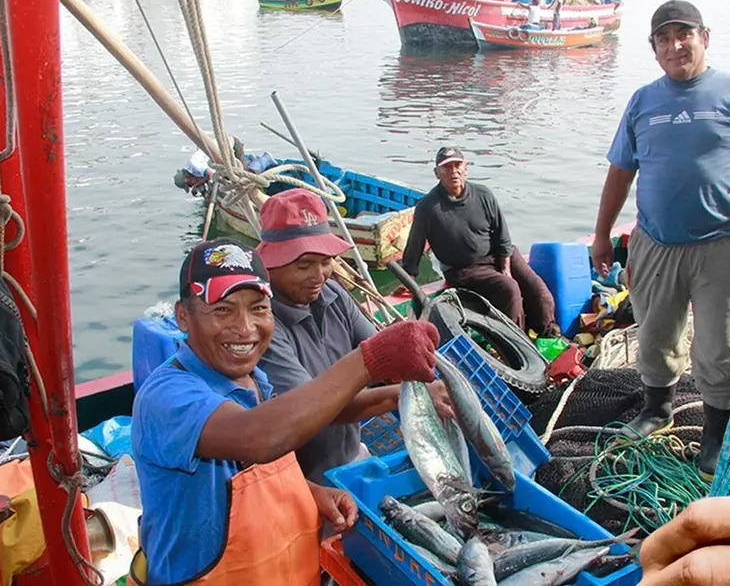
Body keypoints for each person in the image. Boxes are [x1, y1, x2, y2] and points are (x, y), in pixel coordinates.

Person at [129, 237, 441, 585]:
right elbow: (256, 437)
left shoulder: (255, 382)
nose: (246, 328)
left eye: (259, 308)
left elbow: (263, 461)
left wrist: (309, 492)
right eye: (222, 309)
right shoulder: (167, 396)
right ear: (183, 317)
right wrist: (368, 361)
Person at [592, 0, 730, 479]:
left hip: (724, 244)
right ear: (654, 48)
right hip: (655, 243)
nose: (676, 45)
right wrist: (601, 236)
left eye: (685, 34)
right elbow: (620, 173)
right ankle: (657, 409)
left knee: (722, 348)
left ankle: (714, 437)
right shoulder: (642, 101)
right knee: (655, 335)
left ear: (705, 37)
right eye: (664, 38)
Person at [254, 189, 453, 490]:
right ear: (270, 265)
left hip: (351, 455)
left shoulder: (333, 295)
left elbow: (384, 357)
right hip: (303, 481)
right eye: (303, 265)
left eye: (325, 261)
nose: (318, 275)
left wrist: (427, 381)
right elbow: (308, 409)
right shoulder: (263, 325)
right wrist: (397, 395)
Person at [401, 146, 562, 338]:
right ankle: (517, 344)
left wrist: (505, 266)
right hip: (464, 269)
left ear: (466, 168)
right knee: (509, 289)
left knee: (538, 291)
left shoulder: (483, 194)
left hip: (499, 254)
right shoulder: (428, 207)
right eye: (446, 168)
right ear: (437, 173)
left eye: (457, 165)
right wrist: (408, 277)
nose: (453, 172)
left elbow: (503, 235)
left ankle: (548, 334)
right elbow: (415, 246)